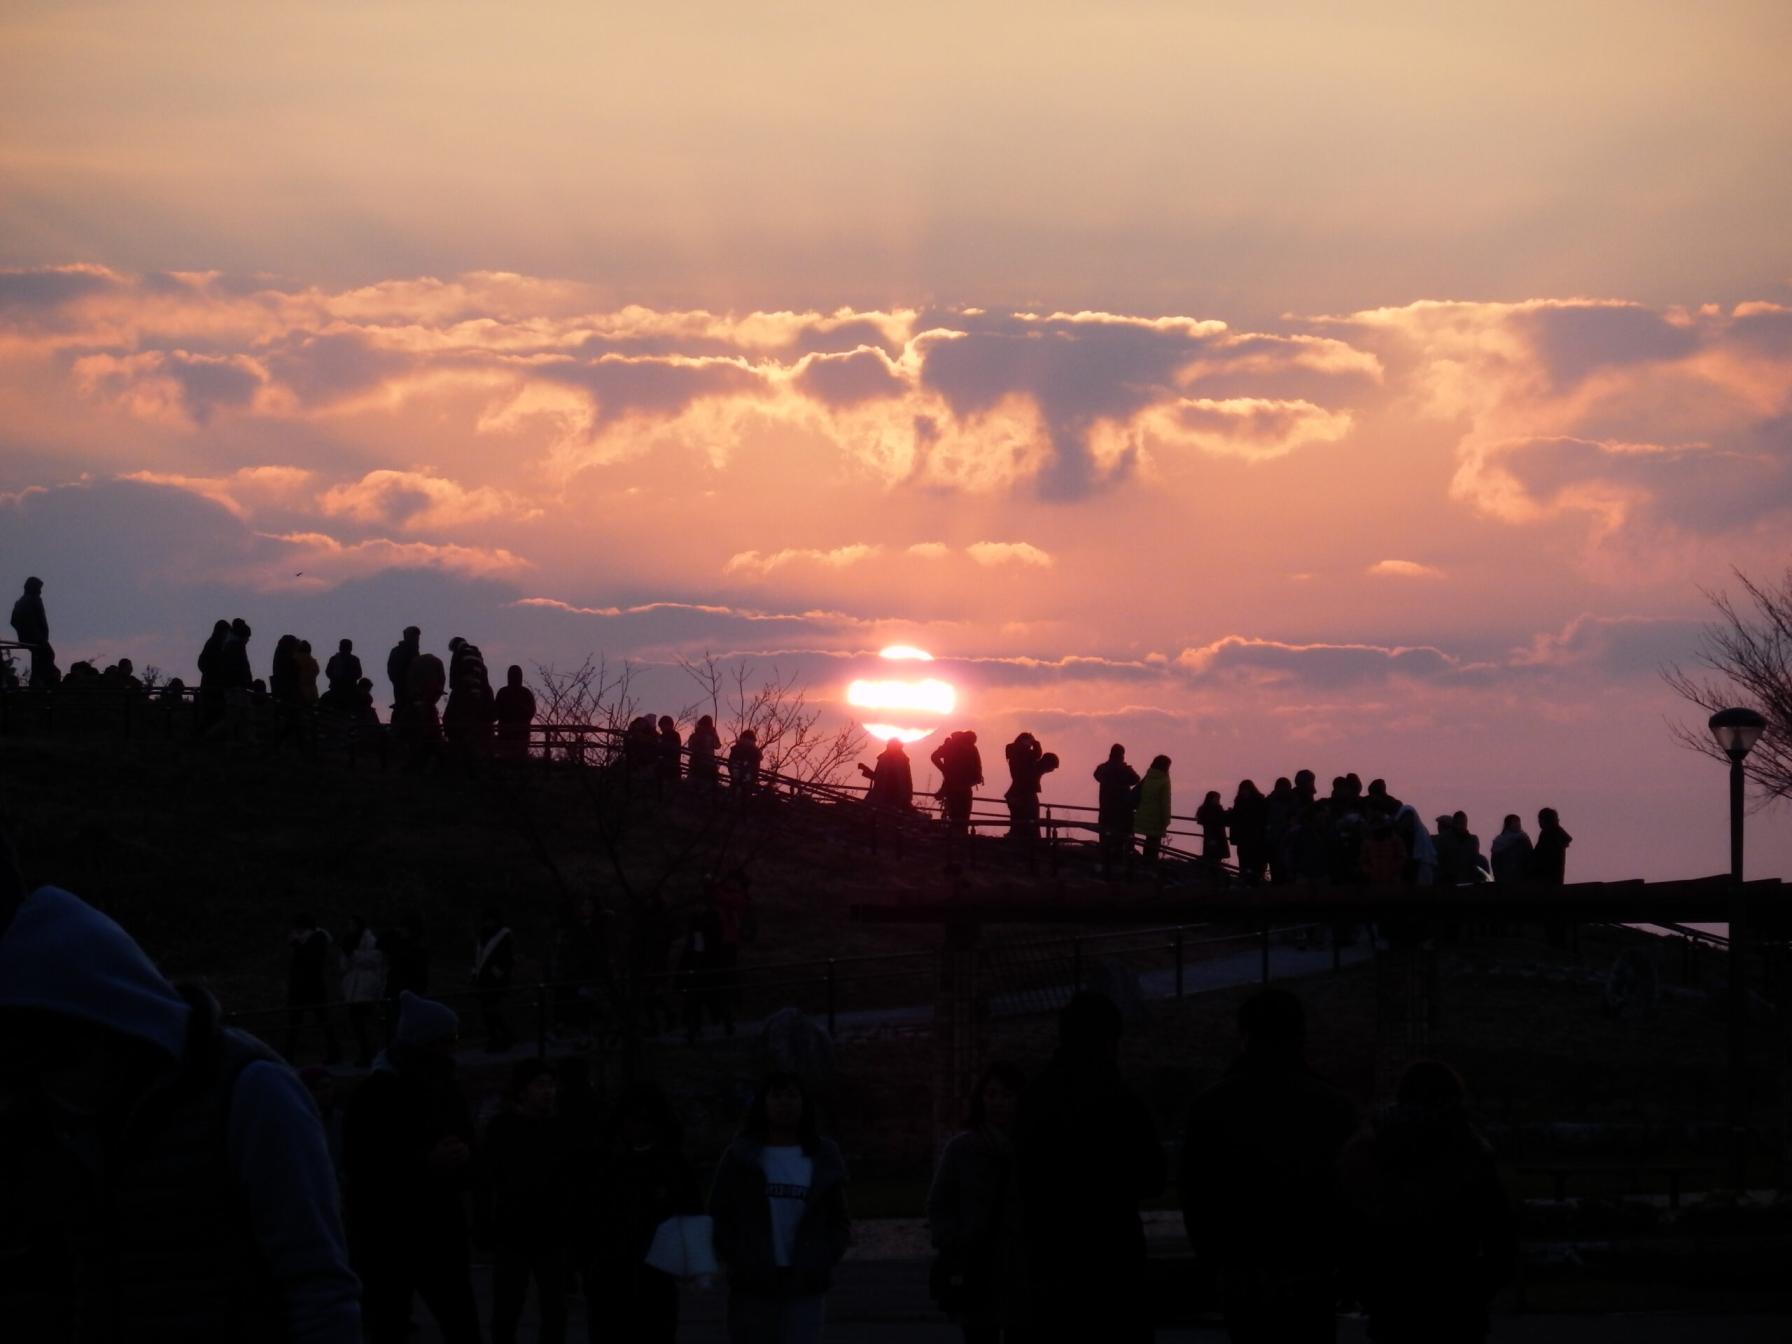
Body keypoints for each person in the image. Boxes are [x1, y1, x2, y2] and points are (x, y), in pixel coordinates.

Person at [0, 878, 362, 1341]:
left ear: (111, 1022)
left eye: (59, 1058)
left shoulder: (252, 1093)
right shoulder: (73, 1121)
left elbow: (320, 1290)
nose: (51, 1084)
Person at [1178, 988, 1358, 1344]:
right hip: (1311, 1271)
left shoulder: (1212, 1106)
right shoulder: (1333, 1106)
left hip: (1244, 1273)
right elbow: (1350, 1197)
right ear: (1300, 1037)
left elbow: (1196, 1195)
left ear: (1245, 1037)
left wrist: (1215, 1260)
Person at [1016, 992, 1164, 1344]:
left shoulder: (1034, 1097)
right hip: (1112, 1263)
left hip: (1049, 1261)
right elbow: (1153, 1177)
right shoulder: (1121, 1101)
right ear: (1110, 1041)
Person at [1337, 1061, 1516, 1344]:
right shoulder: (1471, 1150)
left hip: (1392, 1300)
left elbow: (1351, 1230)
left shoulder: (1369, 1150)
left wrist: (1370, 1291)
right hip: (1456, 1299)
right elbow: (1502, 1239)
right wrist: (1475, 1290)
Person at [342, 991, 481, 1344]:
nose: (453, 1048)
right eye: (448, 1040)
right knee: (392, 1324)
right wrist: (425, 1163)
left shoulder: (445, 1086)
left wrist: (465, 1156)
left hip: (436, 1229)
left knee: (459, 1323)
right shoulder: (372, 1097)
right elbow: (362, 1168)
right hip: (389, 1235)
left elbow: (468, 1139)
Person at [710, 1071, 851, 1344]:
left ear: (803, 1103)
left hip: (805, 1281)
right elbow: (719, 1213)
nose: (784, 1103)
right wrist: (738, 1257)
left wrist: (825, 1255)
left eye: (791, 1095)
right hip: (753, 1282)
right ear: (763, 1103)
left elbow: (838, 1217)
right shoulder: (740, 1156)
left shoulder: (823, 1155)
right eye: (776, 1095)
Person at [580, 1079, 705, 1344]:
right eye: (632, 1119)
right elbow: (587, 1215)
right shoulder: (606, 1163)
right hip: (611, 1276)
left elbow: (691, 1212)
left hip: (653, 1278)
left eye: (645, 1120)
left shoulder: (672, 1164)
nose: (637, 1126)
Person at [927, 1060, 1029, 1344]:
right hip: (977, 1264)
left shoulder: (1032, 1147)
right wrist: (952, 1240)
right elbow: (939, 1203)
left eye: (1006, 1095)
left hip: (1022, 1266)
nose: (997, 1102)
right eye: (991, 1094)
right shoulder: (962, 1148)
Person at [484, 1059, 572, 1344]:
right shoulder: (503, 1129)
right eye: (541, 1085)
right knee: (509, 1307)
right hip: (516, 1229)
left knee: (554, 1308)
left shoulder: (557, 1128)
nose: (549, 1091)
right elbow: (488, 1179)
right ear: (522, 1091)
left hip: (550, 1229)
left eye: (551, 1085)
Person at [285, 911, 342, 1064]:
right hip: (303, 987)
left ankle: (334, 1053)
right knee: (296, 1022)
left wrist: (297, 944)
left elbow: (310, 960)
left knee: (321, 1020)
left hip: (312, 986)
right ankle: (288, 1054)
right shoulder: (309, 939)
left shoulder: (318, 938)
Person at [340, 914, 386, 1068]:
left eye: (352, 925)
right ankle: (366, 1053)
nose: (350, 928)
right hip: (354, 988)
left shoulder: (370, 941)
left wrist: (353, 955)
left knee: (363, 1022)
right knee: (357, 1024)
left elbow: (375, 959)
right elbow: (344, 966)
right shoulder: (350, 941)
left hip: (365, 987)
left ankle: (369, 1053)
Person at [1002, 732, 1058, 847]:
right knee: (1028, 822)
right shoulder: (1023, 754)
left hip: (1017, 793)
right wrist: (1036, 744)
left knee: (1019, 823)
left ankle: (1021, 844)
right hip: (1023, 793)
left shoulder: (1016, 753)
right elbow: (1037, 755)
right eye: (1030, 741)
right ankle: (1030, 847)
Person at [1093, 745, 1140, 879]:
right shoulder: (1124, 769)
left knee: (1105, 835)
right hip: (1123, 808)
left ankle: (1105, 861)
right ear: (1122, 755)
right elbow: (1136, 779)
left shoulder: (1102, 768)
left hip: (1106, 807)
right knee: (1124, 835)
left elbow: (1096, 776)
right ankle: (1122, 862)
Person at [474, 907, 516, 1051]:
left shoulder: (504, 935)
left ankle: (503, 1037)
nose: (488, 922)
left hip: (495, 980)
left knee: (493, 1011)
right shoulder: (483, 934)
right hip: (483, 979)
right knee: (488, 1012)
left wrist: (496, 974)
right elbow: (478, 957)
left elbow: (507, 959)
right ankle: (496, 1037)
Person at [931, 731, 984, 836]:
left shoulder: (968, 747)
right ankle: (958, 839)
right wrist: (945, 770)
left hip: (959, 786)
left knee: (960, 815)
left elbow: (934, 757)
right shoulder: (954, 746)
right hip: (958, 786)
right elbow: (934, 757)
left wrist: (944, 770)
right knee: (959, 815)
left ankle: (958, 838)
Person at [9, 575, 54, 688]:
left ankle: (38, 681)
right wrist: (37, 635)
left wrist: (22, 632)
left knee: (39, 659)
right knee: (47, 656)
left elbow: (13, 621)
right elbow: (40, 620)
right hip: (36, 638)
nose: (40, 591)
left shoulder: (21, 602)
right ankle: (42, 682)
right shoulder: (33, 600)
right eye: (39, 588)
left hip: (29, 637)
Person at [1133, 754, 1173, 871]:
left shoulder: (1148, 776)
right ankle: (1150, 868)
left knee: (1148, 842)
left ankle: (1145, 865)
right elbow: (1165, 803)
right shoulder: (1164, 780)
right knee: (1154, 843)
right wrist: (1166, 820)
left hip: (1143, 814)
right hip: (1156, 817)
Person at [1231, 780, 1270, 884]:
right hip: (1249, 837)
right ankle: (1251, 879)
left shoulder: (1241, 801)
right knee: (1248, 860)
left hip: (1252, 837)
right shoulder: (1258, 800)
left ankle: (1251, 879)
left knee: (1250, 860)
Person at [861, 737, 915, 811]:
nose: (888, 746)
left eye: (889, 745)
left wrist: (907, 798)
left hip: (893, 795)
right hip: (883, 794)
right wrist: (866, 770)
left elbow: (907, 780)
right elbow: (878, 776)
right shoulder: (884, 758)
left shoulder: (901, 760)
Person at [494, 664, 536, 760]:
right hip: (516, 735)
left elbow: (495, 713)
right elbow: (531, 712)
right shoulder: (526, 693)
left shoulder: (503, 692)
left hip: (512, 735)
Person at [1530, 807, 1573, 885]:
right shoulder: (1556, 833)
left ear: (1544, 820)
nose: (1538, 822)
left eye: (1540, 819)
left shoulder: (1548, 834)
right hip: (1555, 879)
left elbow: (1541, 856)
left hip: (1545, 880)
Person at [1196, 789, 1231, 876]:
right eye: (1217, 798)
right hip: (1216, 836)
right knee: (1215, 859)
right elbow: (1220, 820)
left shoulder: (1205, 809)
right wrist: (1227, 814)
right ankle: (1214, 877)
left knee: (1212, 858)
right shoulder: (1216, 809)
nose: (1218, 800)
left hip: (1211, 837)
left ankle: (1212, 876)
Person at [1490, 815, 1533, 884]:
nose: (1517, 825)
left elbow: (1530, 858)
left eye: (1518, 822)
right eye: (1514, 822)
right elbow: (1495, 862)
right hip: (1505, 879)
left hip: (1522, 879)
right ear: (1508, 824)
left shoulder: (1524, 839)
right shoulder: (1499, 842)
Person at [386, 625, 420, 712]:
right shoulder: (412, 651)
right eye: (415, 636)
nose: (417, 639)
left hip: (402, 687)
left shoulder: (397, 650)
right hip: (406, 688)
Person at [688, 714, 723, 788]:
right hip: (706, 764)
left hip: (696, 763)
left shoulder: (695, 735)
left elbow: (690, 747)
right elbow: (718, 745)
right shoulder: (709, 736)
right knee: (706, 785)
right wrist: (714, 734)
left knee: (694, 785)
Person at [729, 728, 764, 796]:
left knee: (733, 795)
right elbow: (756, 769)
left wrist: (734, 773)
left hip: (735, 777)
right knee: (745, 798)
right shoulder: (755, 752)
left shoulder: (736, 749)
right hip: (748, 780)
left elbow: (730, 764)